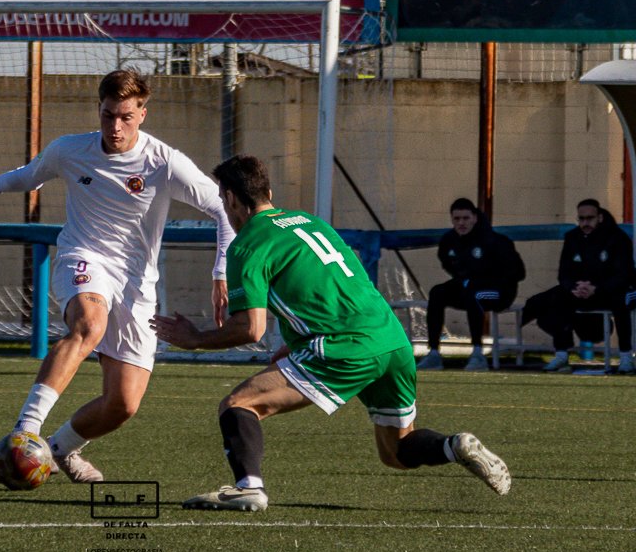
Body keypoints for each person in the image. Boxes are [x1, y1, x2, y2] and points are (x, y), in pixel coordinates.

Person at [151, 154, 510, 512]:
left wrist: (195, 338)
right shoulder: (309, 221)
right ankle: (455, 445)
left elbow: (251, 328)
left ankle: (249, 487)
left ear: (229, 198)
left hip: (343, 346)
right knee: (397, 452)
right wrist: (293, 346)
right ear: (269, 191)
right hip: (391, 339)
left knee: (239, 405)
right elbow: (321, 291)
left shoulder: (246, 245)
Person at [0, 68, 234, 482]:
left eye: (125, 116)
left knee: (123, 404)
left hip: (136, 285)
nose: (115, 126)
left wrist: (221, 272)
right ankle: (26, 430)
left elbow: (222, 208)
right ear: (99, 109)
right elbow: (30, 174)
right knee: (89, 324)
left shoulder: (165, 162)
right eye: (108, 115)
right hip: (83, 257)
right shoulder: (70, 150)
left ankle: (57, 451)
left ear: (143, 114)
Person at [522, 199, 635, 374]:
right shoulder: (572, 237)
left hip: (608, 290)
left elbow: (623, 275)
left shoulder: (617, 238)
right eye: (581, 219)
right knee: (554, 299)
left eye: (589, 218)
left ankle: (626, 357)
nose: (585, 223)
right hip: (580, 291)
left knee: (622, 301)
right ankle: (561, 354)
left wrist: (596, 288)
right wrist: (573, 287)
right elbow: (563, 273)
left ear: (600, 217)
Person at [417, 198, 525, 372]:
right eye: (457, 219)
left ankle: (477, 353)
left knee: (474, 294)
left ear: (474, 218)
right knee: (438, 292)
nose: (461, 223)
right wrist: (465, 279)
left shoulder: (493, 241)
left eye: (466, 218)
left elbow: (519, 273)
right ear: (452, 219)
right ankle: (434, 354)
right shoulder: (448, 241)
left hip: (499, 293)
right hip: (468, 289)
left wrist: (487, 279)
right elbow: (450, 265)